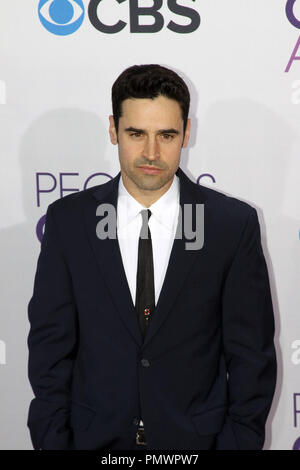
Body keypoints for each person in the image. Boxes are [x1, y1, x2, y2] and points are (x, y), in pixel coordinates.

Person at [27, 64, 277, 451]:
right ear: (113, 129)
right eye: (135, 133)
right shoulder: (70, 222)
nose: (151, 152)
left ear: (187, 133)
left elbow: (251, 357)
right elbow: (50, 350)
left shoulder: (230, 225)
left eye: (166, 135)